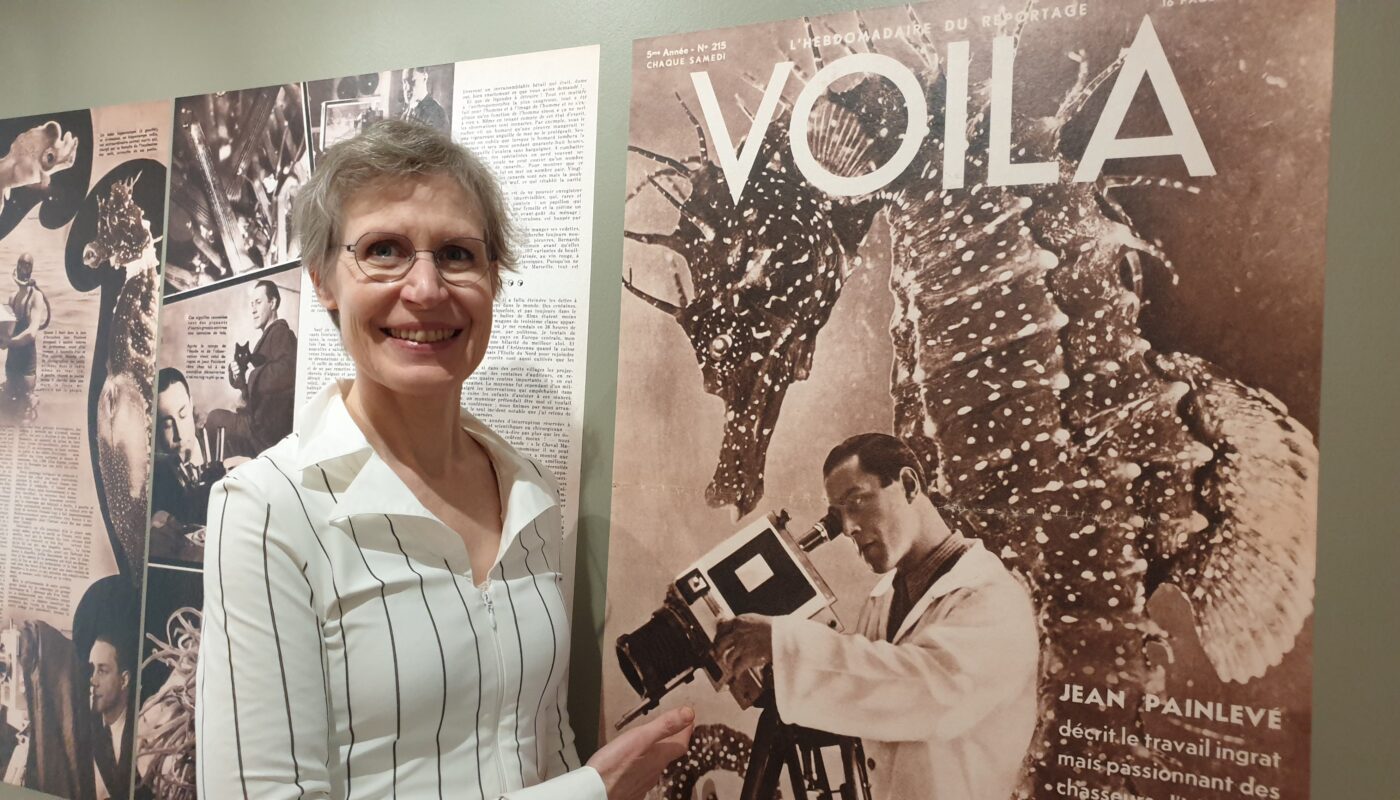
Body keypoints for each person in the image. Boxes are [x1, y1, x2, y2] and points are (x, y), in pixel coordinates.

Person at [195, 118, 692, 799]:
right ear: (323, 281)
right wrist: (590, 793)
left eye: (457, 254)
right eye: (384, 250)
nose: (427, 289)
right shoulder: (268, 510)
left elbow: (540, 741)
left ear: (493, 278)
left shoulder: (527, 492)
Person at [713, 433, 1040, 800]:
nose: (848, 528)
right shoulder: (884, 599)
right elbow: (868, 701)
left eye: (857, 502)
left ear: (909, 485)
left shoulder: (992, 596)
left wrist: (785, 645)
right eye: (838, 517)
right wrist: (778, 670)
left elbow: (926, 695)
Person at [205, 279, 297, 457]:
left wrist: (251, 375)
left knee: (214, 419)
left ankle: (220, 470)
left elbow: (287, 370)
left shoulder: (281, 333)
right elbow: (258, 389)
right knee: (217, 421)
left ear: (273, 303)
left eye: (258, 302)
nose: (253, 309)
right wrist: (239, 378)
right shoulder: (269, 336)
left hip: (263, 431)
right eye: (251, 304)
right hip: (257, 422)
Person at [87, 634, 133, 800]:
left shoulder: (143, 727)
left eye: (102, 671)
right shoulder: (85, 728)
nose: (93, 680)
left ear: (124, 680)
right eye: (91, 669)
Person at [1, 253, 51, 405]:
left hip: (26, 367)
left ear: (31, 269)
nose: (23, 268)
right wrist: (3, 340)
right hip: (11, 365)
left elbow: (31, 333)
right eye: (21, 265)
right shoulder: (12, 298)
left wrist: (8, 342)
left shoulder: (36, 297)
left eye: (26, 265)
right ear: (16, 267)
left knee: (26, 409)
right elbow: (5, 331)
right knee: (7, 407)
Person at [400, 66, 449, 133]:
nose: (407, 88)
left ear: (425, 78)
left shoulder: (437, 113)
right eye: (404, 82)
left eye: (412, 82)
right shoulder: (405, 114)